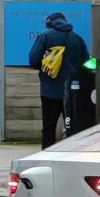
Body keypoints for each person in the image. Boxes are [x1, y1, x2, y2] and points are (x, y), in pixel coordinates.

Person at [26, 11, 92, 148]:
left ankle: (47, 153)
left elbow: (33, 60)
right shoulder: (78, 39)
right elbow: (88, 64)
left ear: (50, 22)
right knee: (74, 126)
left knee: (49, 126)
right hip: (74, 92)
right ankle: (72, 153)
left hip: (49, 91)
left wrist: (45, 68)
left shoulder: (45, 36)